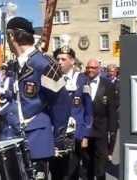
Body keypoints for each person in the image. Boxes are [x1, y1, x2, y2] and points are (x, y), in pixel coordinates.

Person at [0, 17, 71, 179]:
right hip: (11, 137)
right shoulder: (13, 65)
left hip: (35, 139)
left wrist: (58, 140)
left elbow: (61, 104)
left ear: (11, 36)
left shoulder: (44, 64)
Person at [50, 41, 93, 180]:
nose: (60, 62)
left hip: (75, 135)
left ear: (72, 61)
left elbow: (88, 110)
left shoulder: (82, 80)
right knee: (55, 171)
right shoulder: (52, 79)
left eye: (63, 59)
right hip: (56, 135)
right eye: (58, 59)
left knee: (71, 173)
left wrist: (86, 135)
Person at [84, 59, 118, 180]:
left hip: (101, 129)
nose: (90, 70)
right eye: (88, 67)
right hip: (85, 130)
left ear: (99, 69)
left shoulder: (108, 84)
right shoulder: (82, 82)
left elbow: (112, 109)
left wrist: (112, 131)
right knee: (87, 161)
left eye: (93, 68)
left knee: (100, 163)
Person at [106, 64, 120, 161]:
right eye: (109, 71)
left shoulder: (119, 83)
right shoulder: (104, 82)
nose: (111, 73)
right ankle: (105, 151)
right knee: (104, 133)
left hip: (114, 112)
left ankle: (110, 152)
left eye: (112, 71)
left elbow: (120, 99)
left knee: (113, 134)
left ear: (116, 72)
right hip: (104, 112)